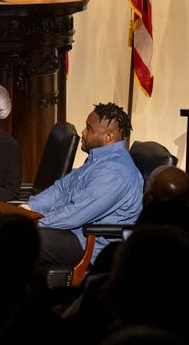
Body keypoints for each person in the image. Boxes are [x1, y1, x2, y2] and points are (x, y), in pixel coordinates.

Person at [24, 102, 143, 268]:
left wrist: (33, 222)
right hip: (70, 231)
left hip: (87, 243)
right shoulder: (98, 160)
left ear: (108, 137)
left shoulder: (115, 172)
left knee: (16, 238)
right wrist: (27, 208)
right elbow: (61, 189)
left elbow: (75, 214)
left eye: (89, 129)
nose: (83, 132)